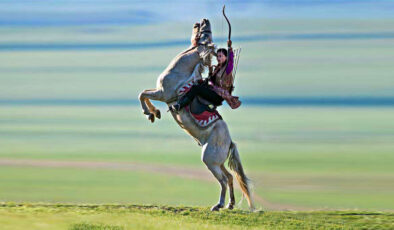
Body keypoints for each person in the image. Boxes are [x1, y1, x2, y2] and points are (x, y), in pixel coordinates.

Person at [170, 40, 241, 112]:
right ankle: (180, 102)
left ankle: (180, 106)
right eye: (217, 56)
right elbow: (212, 81)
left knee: (195, 88)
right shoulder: (218, 68)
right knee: (197, 83)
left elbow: (231, 62)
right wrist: (210, 72)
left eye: (220, 56)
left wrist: (229, 48)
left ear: (226, 57)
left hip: (218, 96)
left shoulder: (227, 70)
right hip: (214, 91)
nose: (218, 58)